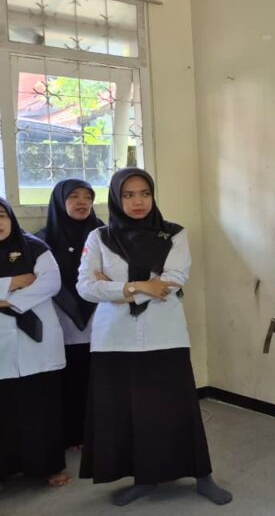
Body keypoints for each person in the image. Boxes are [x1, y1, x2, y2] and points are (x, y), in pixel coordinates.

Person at [77, 168, 231, 506]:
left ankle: (202, 476)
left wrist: (117, 289)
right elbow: (85, 287)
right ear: (116, 198)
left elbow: (173, 280)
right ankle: (144, 478)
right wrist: (139, 286)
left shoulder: (173, 233)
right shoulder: (99, 237)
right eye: (128, 195)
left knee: (178, 408)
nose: (138, 201)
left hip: (165, 335)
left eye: (144, 193)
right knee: (128, 412)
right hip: (114, 338)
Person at [0, 198, 70, 487]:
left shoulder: (35, 247)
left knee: (40, 408)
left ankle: (47, 468)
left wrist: (7, 302)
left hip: (36, 342)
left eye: (1, 215)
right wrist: (12, 282)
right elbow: (27, 281)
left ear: (11, 218)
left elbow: (50, 283)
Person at [37, 179, 104, 450]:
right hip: (61, 318)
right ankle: (72, 434)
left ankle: (97, 431)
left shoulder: (103, 233)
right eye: (74, 196)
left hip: (100, 314)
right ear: (59, 201)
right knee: (69, 376)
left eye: (87, 197)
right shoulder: (43, 240)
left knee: (97, 375)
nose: (82, 202)